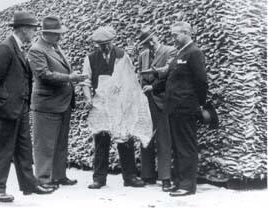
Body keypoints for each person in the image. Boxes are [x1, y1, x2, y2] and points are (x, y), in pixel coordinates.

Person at [0, 11, 55, 203]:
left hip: (21, 107)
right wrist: (0, 100)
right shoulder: (6, 48)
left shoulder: (18, 47)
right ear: (23, 29)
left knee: (24, 148)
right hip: (6, 108)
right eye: (32, 29)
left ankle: (29, 185)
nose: (34, 33)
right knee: (3, 149)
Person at [81, 26, 145, 189]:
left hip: (120, 104)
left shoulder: (123, 56)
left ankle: (130, 177)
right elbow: (86, 81)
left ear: (112, 41)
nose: (106, 47)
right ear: (97, 44)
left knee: (125, 140)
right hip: (100, 104)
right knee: (101, 141)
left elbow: (131, 79)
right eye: (102, 45)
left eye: (108, 43)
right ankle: (99, 179)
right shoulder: (90, 58)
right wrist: (88, 98)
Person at [28, 16, 87, 189]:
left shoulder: (55, 47)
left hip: (62, 103)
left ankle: (59, 176)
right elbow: (43, 75)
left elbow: (58, 70)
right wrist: (70, 77)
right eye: (56, 34)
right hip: (47, 105)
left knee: (61, 143)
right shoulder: (36, 50)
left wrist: (71, 76)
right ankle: (43, 179)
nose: (60, 36)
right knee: (44, 144)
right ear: (45, 33)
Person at [165, 21, 208, 197]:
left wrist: (199, 104)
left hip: (185, 107)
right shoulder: (180, 53)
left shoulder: (194, 52)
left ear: (186, 33)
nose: (173, 38)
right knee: (177, 146)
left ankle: (188, 185)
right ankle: (179, 181)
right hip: (174, 107)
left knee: (186, 147)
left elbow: (201, 81)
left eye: (175, 35)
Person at [136, 27, 176, 191]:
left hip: (162, 101)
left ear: (156, 38)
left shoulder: (170, 51)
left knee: (164, 140)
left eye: (151, 40)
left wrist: (153, 87)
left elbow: (171, 77)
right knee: (145, 137)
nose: (150, 45)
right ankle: (147, 175)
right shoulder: (142, 55)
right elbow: (140, 76)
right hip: (146, 102)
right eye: (146, 43)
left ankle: (165, 178)